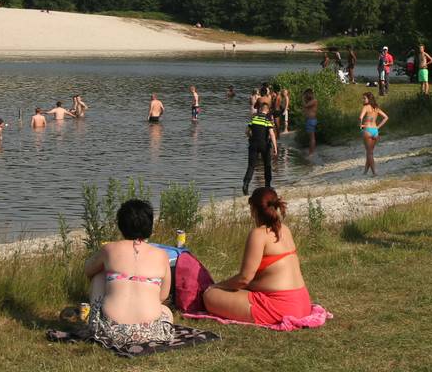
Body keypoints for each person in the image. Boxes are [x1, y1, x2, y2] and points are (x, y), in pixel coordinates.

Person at [202, 188, 311, 325]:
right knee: (231, 290)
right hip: (302, 302)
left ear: (253, 210)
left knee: (210, 295)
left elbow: (244, 278)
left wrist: (217, 285)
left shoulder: (259, 234)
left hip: (280, 307)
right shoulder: (285, 229)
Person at [82, 199, 175, 347]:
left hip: (110, 331)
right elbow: (162, 296)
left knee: (99, 277)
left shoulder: (110, 249)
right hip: (151, 332)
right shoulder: (162, 255)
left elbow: (88, 270)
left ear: (121, 225)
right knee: (166, 311)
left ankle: (95, 319)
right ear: (150, 226)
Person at [244, 103, 278, 194]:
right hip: (264, 145)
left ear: (260, 110)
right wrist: (275, 147)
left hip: (253, 145)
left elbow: (247, 131)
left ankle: (246, 184)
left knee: (251, 166)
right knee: (267, 165)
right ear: (267, 110)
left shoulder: (254, 119)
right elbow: (272, 134)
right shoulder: (267, 120)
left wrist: (250, 138)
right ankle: (267, 185)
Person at [358, 92, 388, 176]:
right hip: (375, 131)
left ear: (369, 99)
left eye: (364, 98)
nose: (363, 100)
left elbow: (360, 117)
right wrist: (378, 127)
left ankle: (374, 172)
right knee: (370, 152)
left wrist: (360, 126)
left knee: (369, 152)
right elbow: (386, 117)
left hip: (367, 130)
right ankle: (365, 171)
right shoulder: (376, 108)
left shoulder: (366, 107)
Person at [302, 88, 318, 158]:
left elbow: (305, 106)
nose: (306, 96)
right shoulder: (310, 101)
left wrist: (303, 98)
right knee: (310, 138)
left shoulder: (314, 101)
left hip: (311, 120)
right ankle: (310, 152)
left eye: (307, 94)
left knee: (312, 138)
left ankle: (311, 153)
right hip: (309, 120)